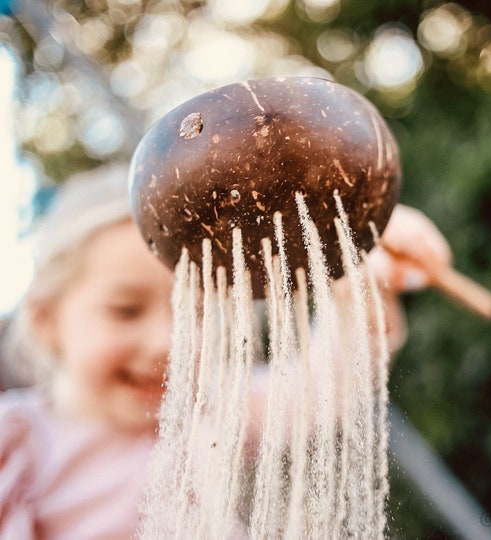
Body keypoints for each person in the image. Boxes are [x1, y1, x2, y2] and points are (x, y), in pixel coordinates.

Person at [0, 163, 452, 539]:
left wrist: (362, 268)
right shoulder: (16, 443)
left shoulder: (209, 410)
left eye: (195, 312)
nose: (167, 342)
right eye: (125, 311)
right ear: (47, 319)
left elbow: (318, 389)